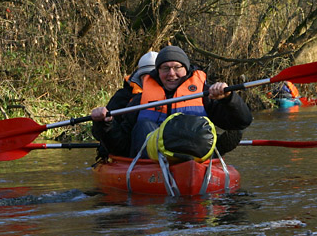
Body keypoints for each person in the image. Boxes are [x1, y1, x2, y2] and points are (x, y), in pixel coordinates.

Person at [91, 45, 252, 158]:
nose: (171, 74)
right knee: (144, 125)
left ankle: (214, 152)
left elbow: (243, 121)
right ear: (157, 71)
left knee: (227, 130)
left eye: (177, 67)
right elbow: (121, 145)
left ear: (186, 69)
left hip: (194, 158)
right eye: (165, 68)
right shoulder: (140, 101)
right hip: (151, 162)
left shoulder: (205, 95)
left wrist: (229, 98)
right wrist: (104, 124)